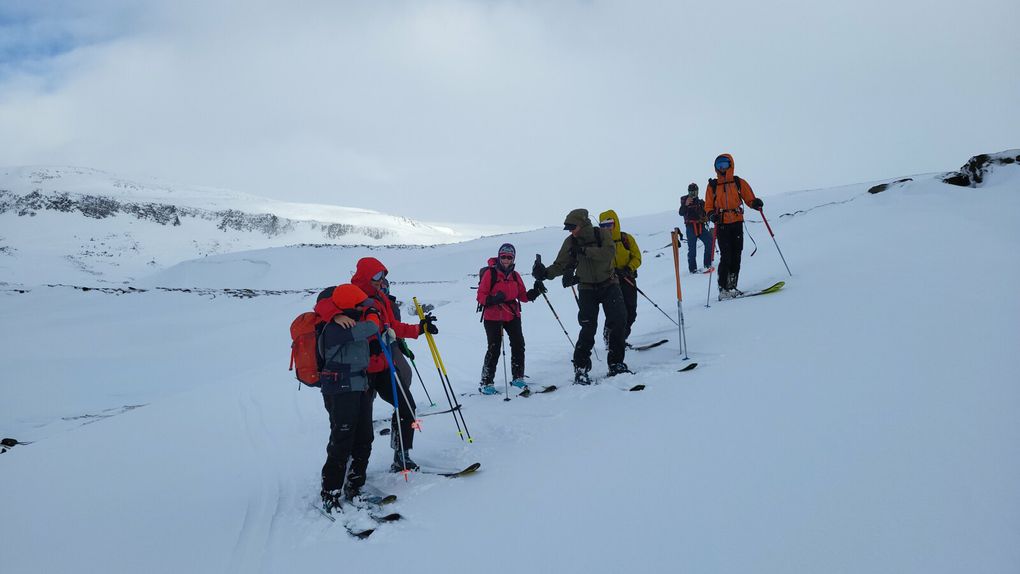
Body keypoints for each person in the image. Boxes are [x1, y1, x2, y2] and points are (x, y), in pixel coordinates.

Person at [351, 257, 438, 473]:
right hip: (359, 371)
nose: (381, 281)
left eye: (383, 276)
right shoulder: (351, 297)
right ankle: (353, 471)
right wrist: (367, 343)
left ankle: (402, 455)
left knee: (407, 406)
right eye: (377, 276)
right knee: (360, 424)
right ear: (365, 276)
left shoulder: (381, 298)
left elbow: (394, 326)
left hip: (382, 366)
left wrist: (419, 329)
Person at [532, 208, 629, 384]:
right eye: (569, 228)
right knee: (588, 328)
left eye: (573, 227)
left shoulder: (602, 234)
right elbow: (560, 264)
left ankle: (616, 364)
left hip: (609, 284)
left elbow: (608, 253)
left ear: (583, 224)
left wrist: (584, 251)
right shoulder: (570, 242)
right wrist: (544, 273)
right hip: (586, 289)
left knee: (618, 321)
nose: (571, 231)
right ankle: (581, 369)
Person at [312, 283, 382, 513]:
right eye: (361, 306)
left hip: (359, 386)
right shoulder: (336, 328)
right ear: (350, 307)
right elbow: (372, 327)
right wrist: (373, 314)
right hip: (340, 390)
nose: (365, 309)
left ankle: (354, 485)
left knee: (364, 437)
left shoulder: (348, 321)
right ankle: (330, 492)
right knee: (341, 441)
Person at [475, 243, 546, 395]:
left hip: (512, 314)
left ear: (513, 258)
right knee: (494, 348)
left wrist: (534, 292)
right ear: (499, 257)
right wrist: (493, 299)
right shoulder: (491, 274)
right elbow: (480, 296)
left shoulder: (515, 276)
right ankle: (486, 382)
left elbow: (522, 296)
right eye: (503, 257)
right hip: (493, 316)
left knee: (519, 344)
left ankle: (518, 377)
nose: (506, 260)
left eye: (509, 257)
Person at [704, 153, 763, 299]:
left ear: (730, 164)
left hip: (737, 222)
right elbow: (708, 206)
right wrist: (712, 215)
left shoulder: (738, 182)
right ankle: (723, 288)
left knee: (737, 254)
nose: (722, 168)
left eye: (724, 164)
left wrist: (755, 203)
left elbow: (749, 198)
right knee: (726, 256)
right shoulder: (712, 186)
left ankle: (732, 285)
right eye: (719, 165)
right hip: (722, 224)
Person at [597, 210, 641, 346]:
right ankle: (614, 341)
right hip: (610, 283)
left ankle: (621, 337)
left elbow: (637, 257)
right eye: (603, 225)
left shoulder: (625, 239)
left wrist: (628, 269)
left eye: (609, 224)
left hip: (627, 279)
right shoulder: (599, 243)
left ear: (615, 223)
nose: (607, 228)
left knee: (631, 312)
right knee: (616, 314)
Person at [678, 183, 714, 274]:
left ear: (697, 192)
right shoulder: (685, 201)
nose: (693, 194)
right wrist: (685, 205)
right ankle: (693, 270)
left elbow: (708, 211)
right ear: (688, 192)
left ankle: (707, 264)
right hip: (690, 227)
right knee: (692, 249)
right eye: (691, 192)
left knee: (710, 242)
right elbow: (681, 212)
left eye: (694, 191)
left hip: (700, 225)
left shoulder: (701, 202)